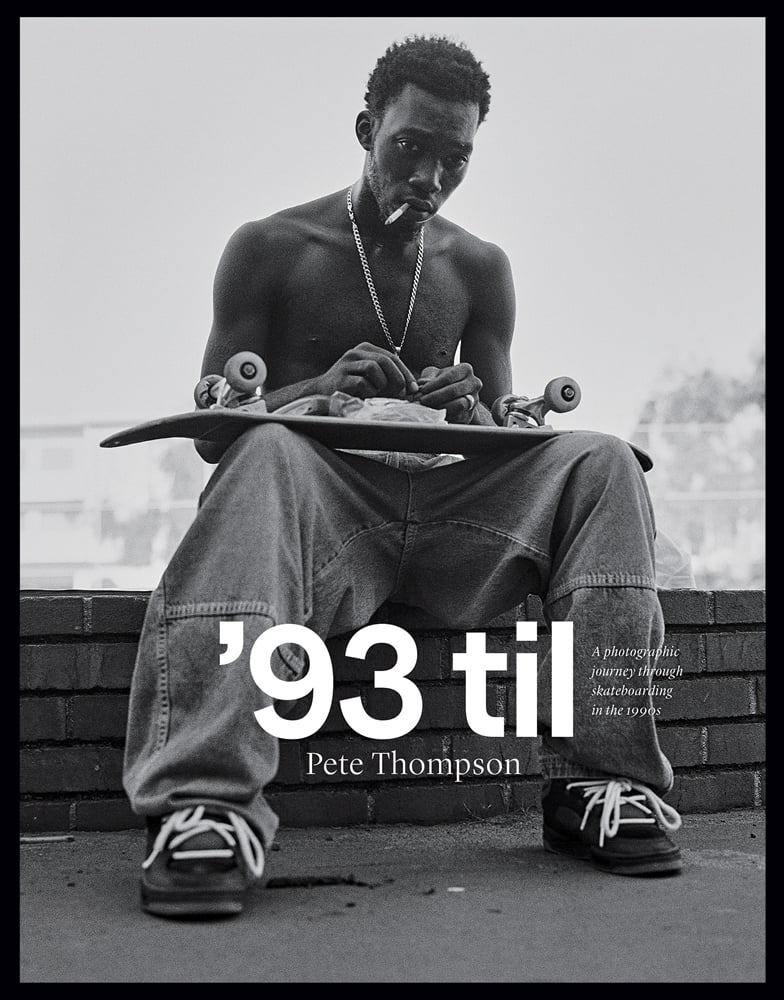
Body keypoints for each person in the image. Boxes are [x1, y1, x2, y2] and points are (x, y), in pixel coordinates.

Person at [124, 35, 683, 919]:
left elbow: (508, 437)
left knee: (603, 457)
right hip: (325, 519)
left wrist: (470, 414)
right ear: (365, 130)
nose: (430, 177)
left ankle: (601, 787)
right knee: (267, 447)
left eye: (454, 158)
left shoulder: (480, 268)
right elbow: (212, 441)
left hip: (455, 521)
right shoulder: (270, 247)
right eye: (409, 147)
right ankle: (207, 808)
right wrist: (319, 392)